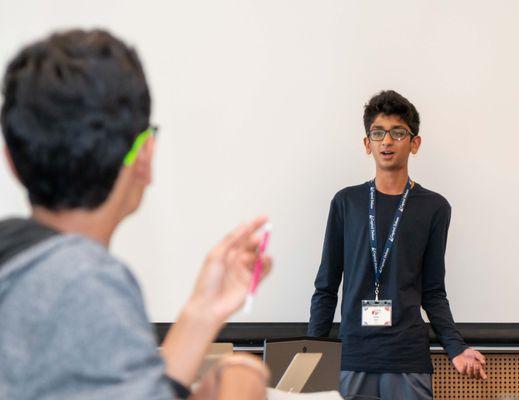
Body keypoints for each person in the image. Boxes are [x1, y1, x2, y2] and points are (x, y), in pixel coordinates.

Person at [0, 29, 271, 400]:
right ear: (144, 157)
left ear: (10, 159)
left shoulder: (17, 263)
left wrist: (202, 312)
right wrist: (243, 383)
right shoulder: (86, 285)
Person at [308, 90, 487, 400]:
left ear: (414, 143)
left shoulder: (434, 207)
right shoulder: (346, 203)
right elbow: (326, 286)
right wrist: (309, 351)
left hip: (407, 359)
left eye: (398, 132)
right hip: (352, 358)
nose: (387, 141)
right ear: (367, 144)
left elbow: (433, 290)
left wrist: (456, 347)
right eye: (378, 133)